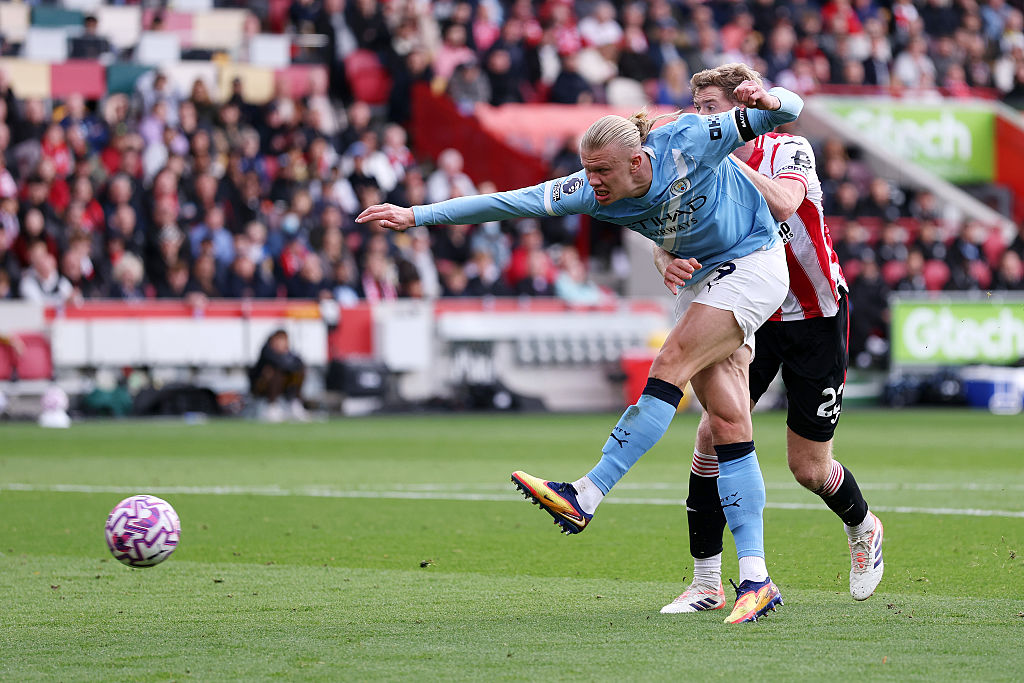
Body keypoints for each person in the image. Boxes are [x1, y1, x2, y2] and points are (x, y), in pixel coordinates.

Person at [357, 68, 803, 624]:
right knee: (729, 424)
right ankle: (757, 579)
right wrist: (416, 216)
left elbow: (787, 111)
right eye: (587, 170)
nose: (591, 182)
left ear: (638, 162)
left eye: (602, 171)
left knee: (670, 361)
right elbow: (507, 203)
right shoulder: (587, 190)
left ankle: (588, 492)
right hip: (702, 279)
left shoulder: (690, 139)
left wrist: (769, 97)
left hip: (755, 262)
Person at [655, 64, 883, 616]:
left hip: (813, 314)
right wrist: (664, 255)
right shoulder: (696, 167)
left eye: (715, 108)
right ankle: (707, 582)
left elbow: (784, 203)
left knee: (807, 467)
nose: (705, 119)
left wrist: (726, 156)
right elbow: (661, 221)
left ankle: (863, 525)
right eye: (700, 108)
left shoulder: (787, 148)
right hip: (747, 314)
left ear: (744, 107)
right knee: (711, 437)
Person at [249, 329, 309, 423]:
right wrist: (287, 361)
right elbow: (279, 364)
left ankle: (293, 402)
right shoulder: (267, 351)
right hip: (261, 387)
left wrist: (287, 358)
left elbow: (299, 363)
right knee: (274, 372)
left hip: (284, 387)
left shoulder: (288, 353)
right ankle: (272, 406)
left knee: (299, 372)